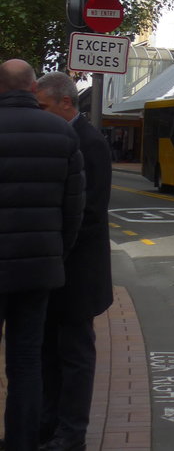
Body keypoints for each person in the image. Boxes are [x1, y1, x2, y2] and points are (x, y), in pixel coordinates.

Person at [0, 60, 84, 451]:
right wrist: (56, 254)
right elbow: (74, 212)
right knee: (26, 362)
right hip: (39, 269)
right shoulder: (62, 134)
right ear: (33, 87)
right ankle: (23, 442)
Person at [36, 72, 114, 451]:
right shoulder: (60, 138)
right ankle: (47, 425)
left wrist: (57, 248)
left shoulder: (90, 142)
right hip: (54, 268)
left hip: (79, 274)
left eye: (44, 106)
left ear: (66, 103)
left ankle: (71, 434)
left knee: (75, 355)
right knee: (47, 352)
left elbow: (92, 213)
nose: (40, 113)